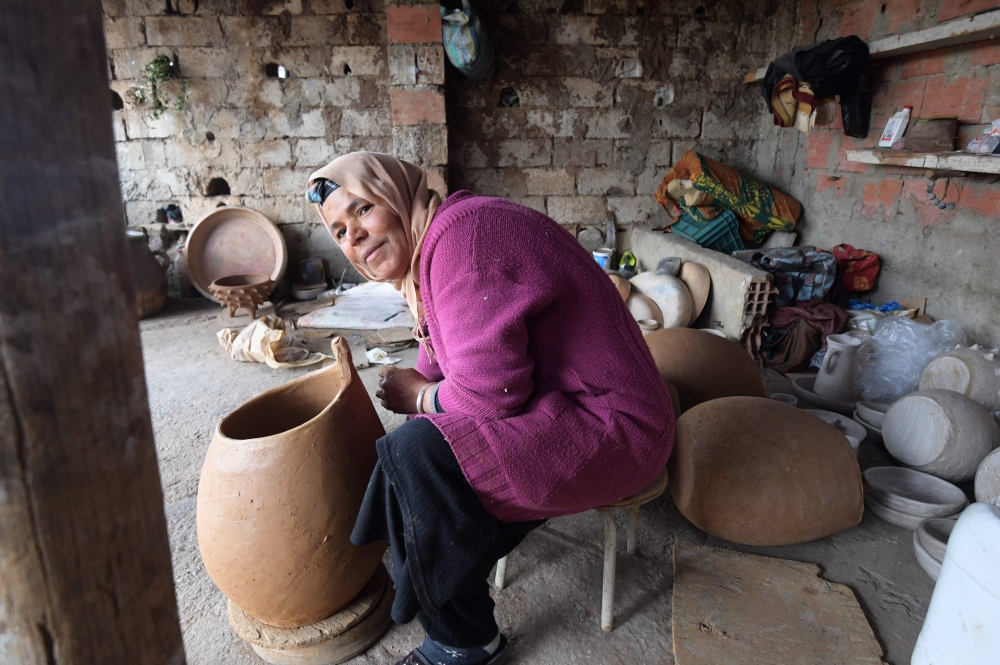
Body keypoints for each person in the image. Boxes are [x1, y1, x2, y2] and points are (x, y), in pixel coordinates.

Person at [306, 152, 673, 665]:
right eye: (340, 232)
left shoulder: (464, 240)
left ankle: (464, 641)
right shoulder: (433, 249)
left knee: (418, 455)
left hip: (620, 431)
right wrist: (424, 397)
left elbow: (488, 393)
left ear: (397, 196)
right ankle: (437, 570)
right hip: (571, 406)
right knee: (418, 458)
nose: (355, 238)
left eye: (363, 210)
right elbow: (441, 359)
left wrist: (417, 398)